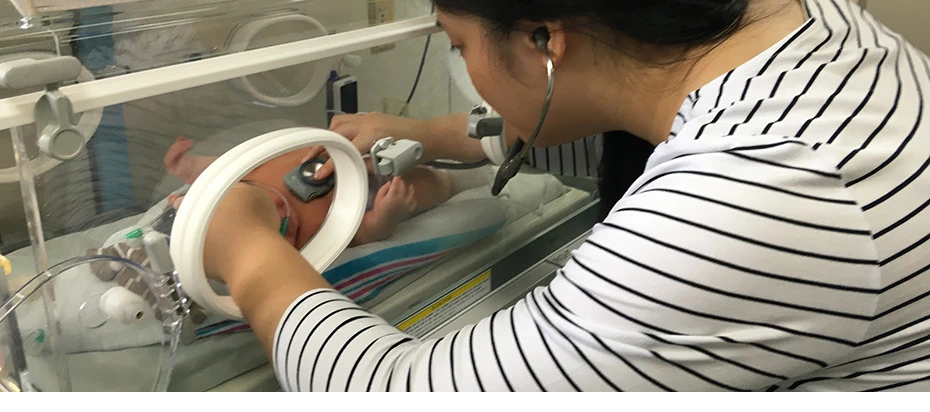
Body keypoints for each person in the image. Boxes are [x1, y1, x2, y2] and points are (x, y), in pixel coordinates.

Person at [199, 0, 930, 391]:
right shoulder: (792, 24)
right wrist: (430, 137)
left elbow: (397, 384)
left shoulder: (759, 196)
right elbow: (623, 121)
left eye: (457, 46)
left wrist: (245, 245)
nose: (462, 63)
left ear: (545, 37)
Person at [164, 135, 453, 248]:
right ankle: (451, 181)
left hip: (339, 154)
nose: (283, 211)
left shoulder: (241, 173)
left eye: (264, 204)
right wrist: (384, 217)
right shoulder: (308, 237)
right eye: (283, 234)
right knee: (425, 186)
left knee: (404, 147)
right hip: (369, 200)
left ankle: (445, 152)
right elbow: (359, 234)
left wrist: (191, 169)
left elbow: (225, 165)